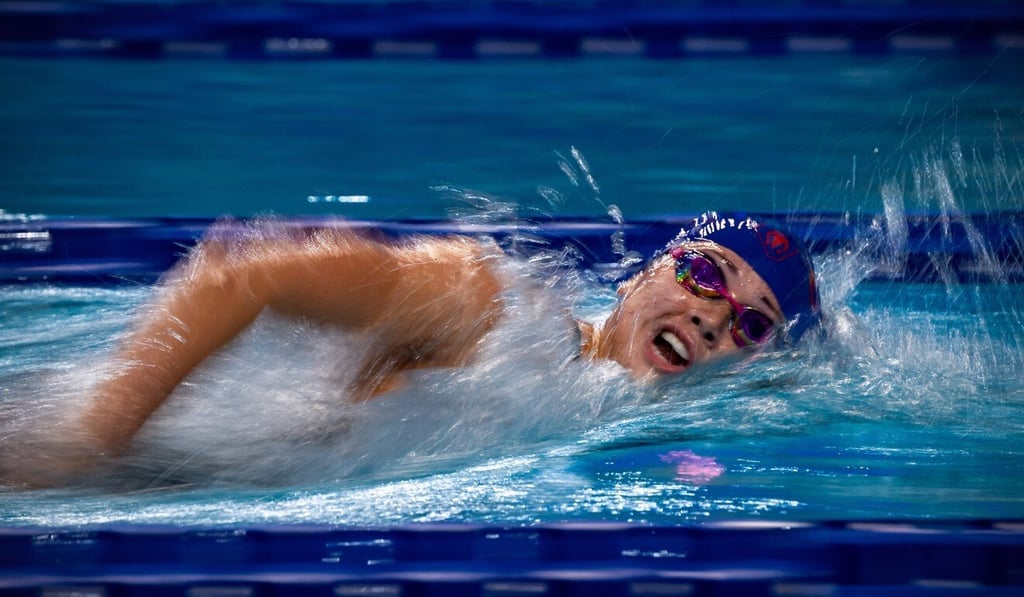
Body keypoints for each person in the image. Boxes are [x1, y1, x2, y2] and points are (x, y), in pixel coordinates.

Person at [5, 211, 820, 487]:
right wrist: (97, 437)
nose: (716, 318)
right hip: (86, 456)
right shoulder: (492, 308)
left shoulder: (601, 411)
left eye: (754, 325)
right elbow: (239, 277)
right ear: (638, 276)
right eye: (706, 275)